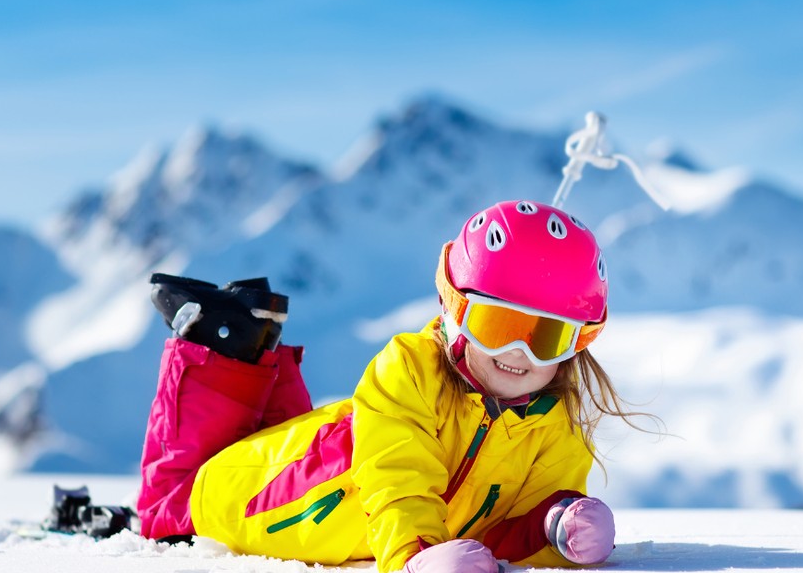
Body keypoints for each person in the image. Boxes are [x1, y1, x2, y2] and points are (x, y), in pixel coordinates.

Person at [135, 200, 649, 572]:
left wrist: (554, 525)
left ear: (581, 342)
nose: (520, 353)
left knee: (291, 440)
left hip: (318, 488)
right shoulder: (410, 368)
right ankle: (219, 338)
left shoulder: (554, 419)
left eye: (549, 336)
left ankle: (252, 338)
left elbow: (505, 527)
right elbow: (395, 480)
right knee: (176, 505)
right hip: (257, 497)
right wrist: (415, 556)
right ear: (455, 310)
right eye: (498, 326)